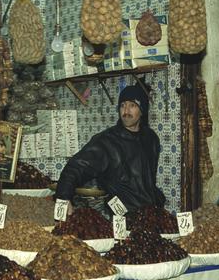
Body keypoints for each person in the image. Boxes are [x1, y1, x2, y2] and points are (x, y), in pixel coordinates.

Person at [56, 85, 165, 215]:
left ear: (142, 110)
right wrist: (63, 197)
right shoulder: (106, 141)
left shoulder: (151, 139)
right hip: (122, 216)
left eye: (132, 106)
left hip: (150, 213)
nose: (126, 111)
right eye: (122, 105)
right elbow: (75, 167)